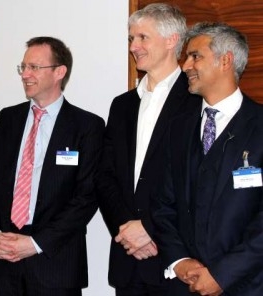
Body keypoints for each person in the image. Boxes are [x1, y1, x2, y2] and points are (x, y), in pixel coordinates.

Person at [0, 36, 104, 296]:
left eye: (34, 67)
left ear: (59, 72)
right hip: (6, 260)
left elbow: (86, 197)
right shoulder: (7, 119)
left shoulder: (87, 126)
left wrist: (36, 243)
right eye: (22, 67)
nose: (25, 74)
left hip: (56, 263)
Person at [96, 4, 201, 295]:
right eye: (131, 39)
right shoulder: (122, 105)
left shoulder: (197, 101)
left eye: (142, 37)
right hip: (128, 259)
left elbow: (196, 181)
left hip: (176, 259)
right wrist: (127, 229)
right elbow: (105, 175)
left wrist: (149, 229)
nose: (134, 46)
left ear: (172, 40)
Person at [152, 22, 263, 295]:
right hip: (184, 284)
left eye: (195, 56)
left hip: (247, 285)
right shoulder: (177, 127)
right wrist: (180, 261)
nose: (186, 65)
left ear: (225, 60)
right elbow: (161, 203)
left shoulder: (260, 125)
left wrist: (222, 275)